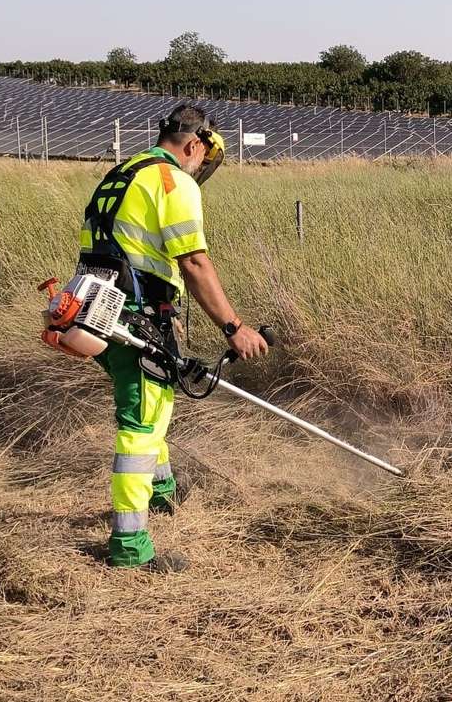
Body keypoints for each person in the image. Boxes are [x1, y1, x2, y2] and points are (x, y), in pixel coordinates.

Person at [78, 104, 268, 571]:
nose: (199, 168)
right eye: (201, 160)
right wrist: (234, 327)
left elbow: (128, 248)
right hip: (134, 311)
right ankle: (129, 546)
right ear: (195, 144)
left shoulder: (123, 172)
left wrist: (167, 312)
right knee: (141, 423)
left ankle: (164, 495)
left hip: (100, 304)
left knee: (157, 398)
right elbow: (194, 262)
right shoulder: (172, 181)